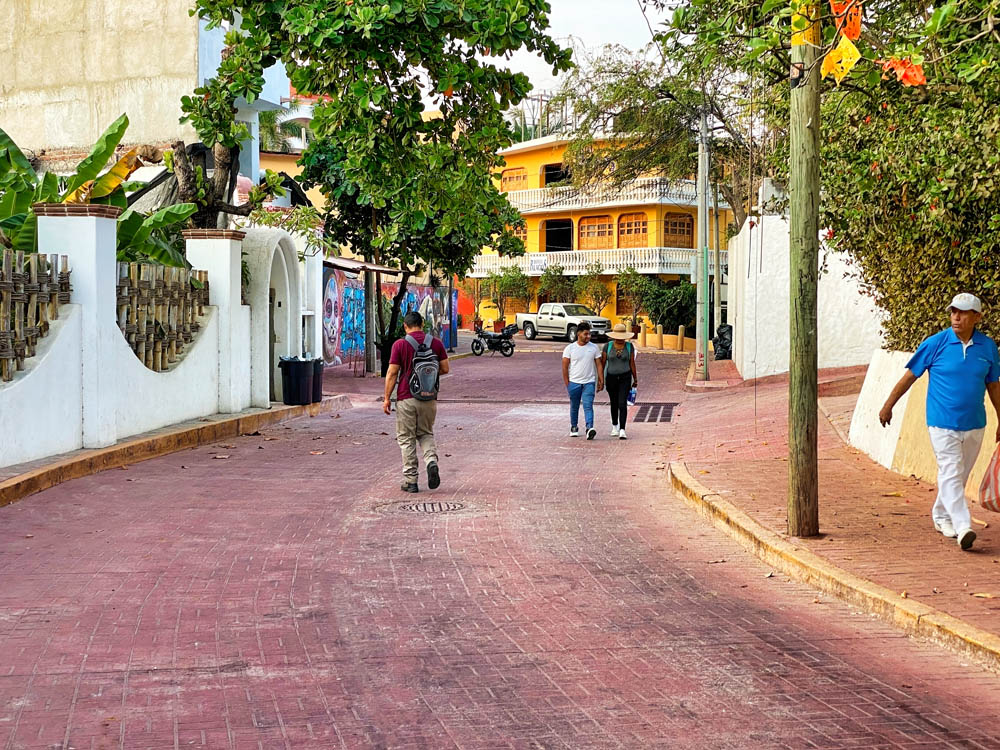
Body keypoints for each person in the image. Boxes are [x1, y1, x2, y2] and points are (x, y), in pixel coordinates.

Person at [879, 293, 1000, 550]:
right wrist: (888, 405)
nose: (956, 316)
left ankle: (941, 515)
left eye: (964, 312)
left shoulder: (988, 347)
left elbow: (994, 386)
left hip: (975, 424)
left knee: (958, 475)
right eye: (953, 311)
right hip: (942, 423)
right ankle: (963, 525)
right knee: (950, 471)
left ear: (977, 317)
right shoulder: (935, 343)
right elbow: (909, 377)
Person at [383, 311, 450, 493]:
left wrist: (387, 398)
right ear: (422, 323)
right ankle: (431, 461)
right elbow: (445, 368)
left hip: (406, 397)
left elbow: (392, 373)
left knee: (406, 438)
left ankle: (411, 480)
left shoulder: (400, 344)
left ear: (405, 326)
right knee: (426, 433)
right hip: (429, 397)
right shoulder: (435, 343)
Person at [562, 321, 603, 439]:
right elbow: (564, 367)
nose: (588, 336)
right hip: (574, 383)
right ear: (578, 334)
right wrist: (567, 384)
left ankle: (589, 428)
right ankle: (574, 427)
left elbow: (599, 365)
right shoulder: (569, 348)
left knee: (588, 405)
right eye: (586, 334)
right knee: (574, 406)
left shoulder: (594, 348)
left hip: (589, 382)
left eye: (589, 334)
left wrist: (601, 380)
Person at [600, 323, 638, 440]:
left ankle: (622, 429)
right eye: (618, 337)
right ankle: (614, 426)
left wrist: (635, 378)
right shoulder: (608, 346)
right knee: (614, 402)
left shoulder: (629, 347)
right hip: (611, 378)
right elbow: (602, 362)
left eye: (622, 337)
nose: (620, 340)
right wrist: (600, 379)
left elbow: (632, 363)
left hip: (625, 378)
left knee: (622, 403)